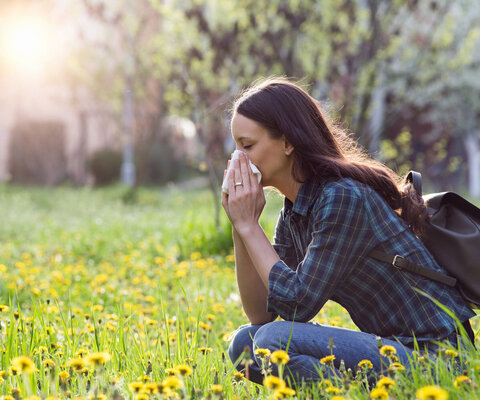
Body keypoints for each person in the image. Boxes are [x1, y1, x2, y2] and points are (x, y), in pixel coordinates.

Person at [221, 77, 475, 385]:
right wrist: (240, 225)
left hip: (439, 359)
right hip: (395, 351)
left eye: (247, 146)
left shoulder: (341, 197)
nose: (237, 159)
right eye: (236, 147)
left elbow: (297, 305)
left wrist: (250, 226)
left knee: (273, 342)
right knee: (244, 344)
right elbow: (261, 313)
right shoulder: (295, 212)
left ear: (287, 143)